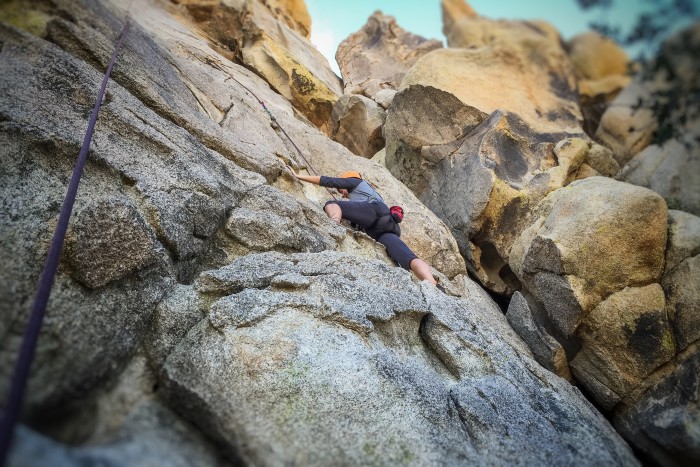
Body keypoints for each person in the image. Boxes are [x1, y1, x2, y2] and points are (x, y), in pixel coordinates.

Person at [286, 166, 444, 291]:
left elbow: (329, 181)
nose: (342, 193)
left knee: (331, 204)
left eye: (342, 190)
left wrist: (298, 176)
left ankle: (333, 225)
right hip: (386, 227)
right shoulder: (372, 193)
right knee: (409, 258)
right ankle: (432, 283)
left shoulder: (355, 182)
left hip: (373, 213)